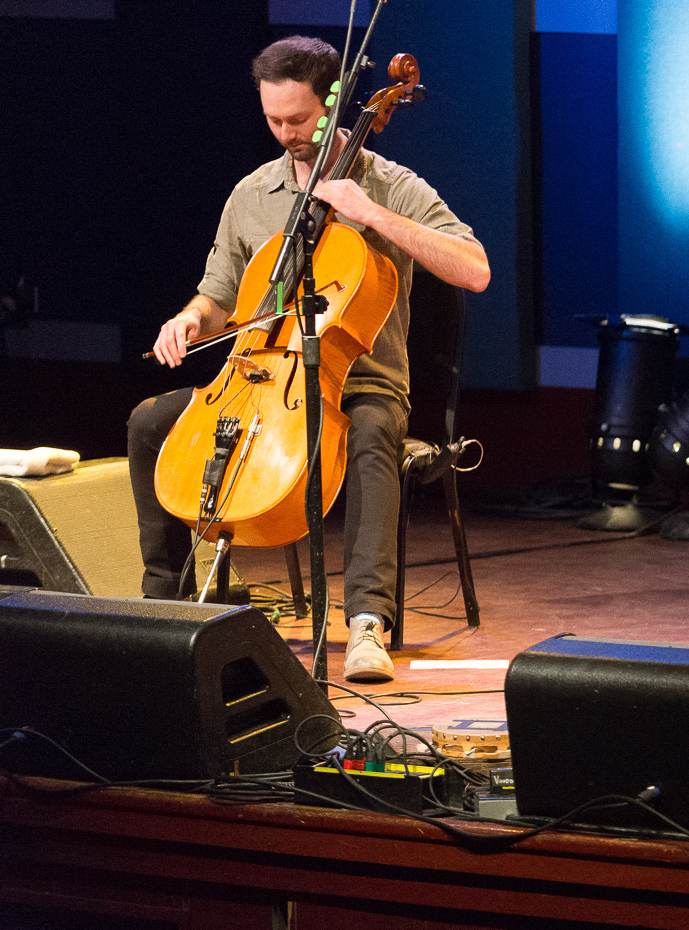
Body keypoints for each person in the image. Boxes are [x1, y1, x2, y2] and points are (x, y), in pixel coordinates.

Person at [129, 35, 489, 685]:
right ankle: (166, 609)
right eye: (274, 120)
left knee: (376, 431)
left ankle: (366, 625)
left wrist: (371, 213)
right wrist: (188, 319)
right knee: (149, 421)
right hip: (261, 375)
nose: (286, 132)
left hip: (363, 382)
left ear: (332, 106)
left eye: (298, 119)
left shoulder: (390, 183)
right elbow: (217, 298)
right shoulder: (252, 194)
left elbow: (475, 267)